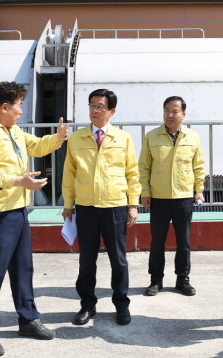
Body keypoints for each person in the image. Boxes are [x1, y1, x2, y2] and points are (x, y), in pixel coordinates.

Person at [0, 81, 69, 357]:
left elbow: (34, 146)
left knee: (23, 268)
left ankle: (28, 319)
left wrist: (57, 138)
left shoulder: (12, 130)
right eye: (19, 105)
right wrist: (17, 181)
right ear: (4, 107)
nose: (21, 111)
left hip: (19, 210)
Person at [61, 88, 141, 326]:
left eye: (100, 107)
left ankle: (121, 304)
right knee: (87, 260)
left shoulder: (123, 138)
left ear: (111, 111)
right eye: (92, 106)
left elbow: (132, 174)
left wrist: (132, 204)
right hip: (86, 207)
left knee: (118, 259)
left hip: (115, 205)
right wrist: (68, 204)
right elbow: (69, 173)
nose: (95, 111)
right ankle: (87, 305)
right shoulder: (77, 138)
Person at [138, 96, 205, 297]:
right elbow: (144, 167)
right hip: (158, 197)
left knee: (183, 241)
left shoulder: (192, 137)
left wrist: (199, 190)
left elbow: (199, 166)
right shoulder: (152, 136)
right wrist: (145, 192)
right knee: (157, 240)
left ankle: (182, 279)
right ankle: (155, 280)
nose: (170, 114)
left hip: (184, 196)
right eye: (167, 110)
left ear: (183, 114)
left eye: (175, 111)